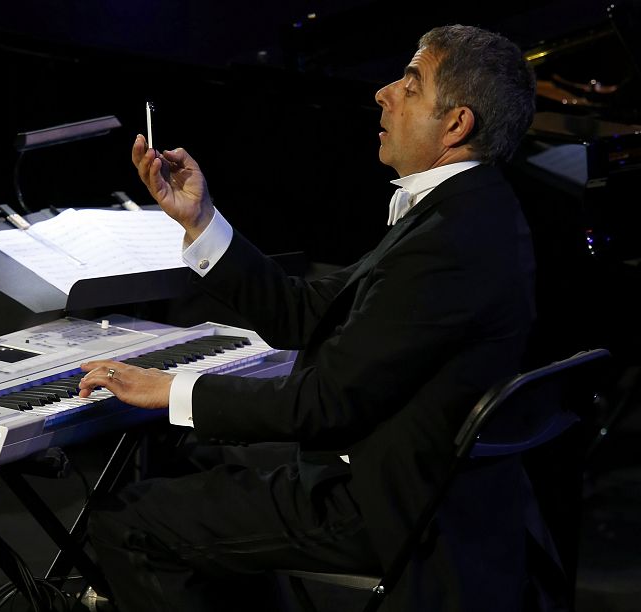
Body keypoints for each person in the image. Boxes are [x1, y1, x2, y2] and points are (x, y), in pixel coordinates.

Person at [79, 24, 540, 612]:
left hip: (385, 501)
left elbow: (322, 405)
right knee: (182, 455)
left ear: (456, 124)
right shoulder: (468, 207)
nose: (384, 93)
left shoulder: (450, 243)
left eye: (411, 83)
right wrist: (200, 221)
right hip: (394, 466)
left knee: (129, 522)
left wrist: (169, 388)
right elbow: (308, 314)